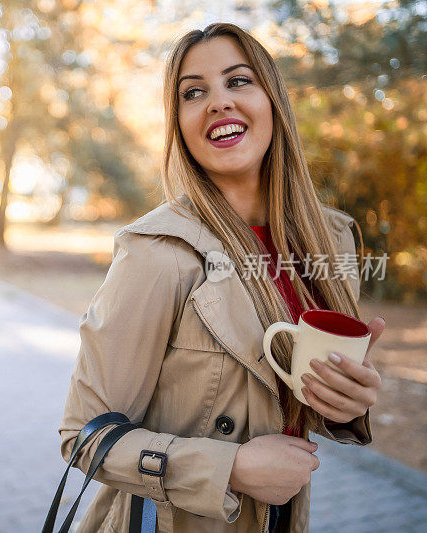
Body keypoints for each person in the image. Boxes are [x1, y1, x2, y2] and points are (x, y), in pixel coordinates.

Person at [58, 22, 385, 533]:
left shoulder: (332, 242)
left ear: (272, 100)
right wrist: (229, 468)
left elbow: (290, 402)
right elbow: (84, 435)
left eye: (238, 81)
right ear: (181, 127)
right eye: (194, 92)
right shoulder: (158, 252)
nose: (217, 102)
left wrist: (345, 404)